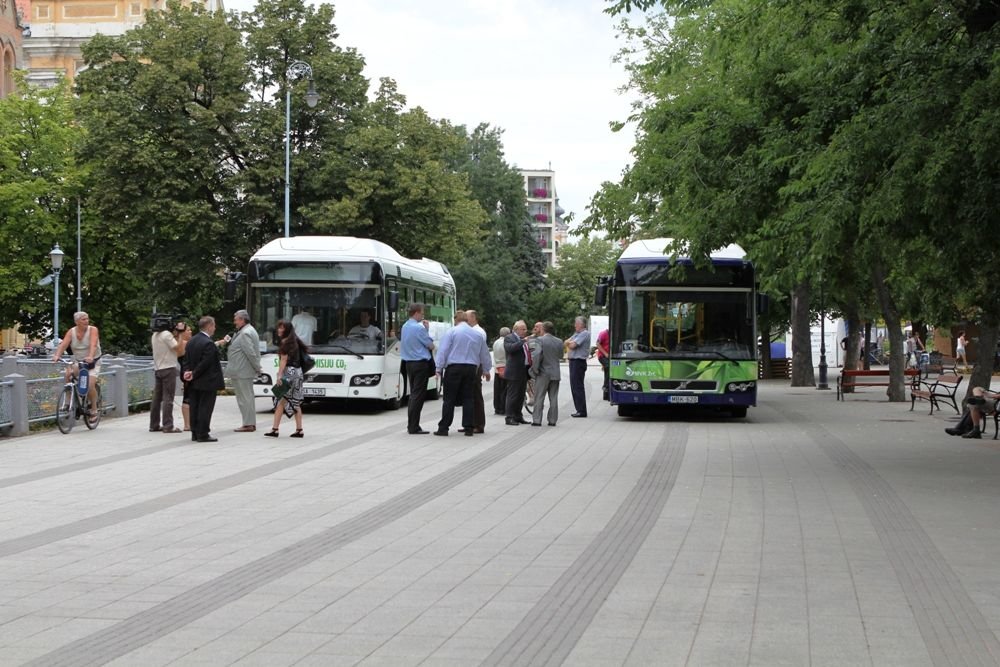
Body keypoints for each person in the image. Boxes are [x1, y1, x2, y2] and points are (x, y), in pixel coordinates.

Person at [434, 311, 492, 437]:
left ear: (456, 319)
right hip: (471, 368)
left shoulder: (452, 332)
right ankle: (469, 427)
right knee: (468, 398)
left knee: (449, 399)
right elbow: (484, 354)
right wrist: (487, 369)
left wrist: (438, 368)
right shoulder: (477, 334)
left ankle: (444, 428)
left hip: (454, 368)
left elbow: (443, 351)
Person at [182, 316, 226, 443]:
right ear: (209, 326)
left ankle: (195, 432)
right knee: (205, 407)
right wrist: (194, 373)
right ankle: (203, 433)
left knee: (194, 406)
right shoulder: (208, 343)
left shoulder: (191, 341)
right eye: (214, 326)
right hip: (207, 381)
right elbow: (205, 363)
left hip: (193, 381)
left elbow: (186, 360)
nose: (215, 328)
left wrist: (187, 372)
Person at [52, 311, 103, 413]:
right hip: (79, 362)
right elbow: (63, 345)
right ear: (77, 322)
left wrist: (91, 356)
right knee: (68, 375)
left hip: (93, 362)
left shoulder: (93, 330)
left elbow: (93, 344)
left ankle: (94, 408)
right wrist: (57, 355)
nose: (86, 321)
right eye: (83, 319)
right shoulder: (71, 332)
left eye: (87, 319)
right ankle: (67, 403)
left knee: (89, 385)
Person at [265, 320, 306, 438]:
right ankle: (299, 430)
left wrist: (279, 375)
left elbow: (283, 360)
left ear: (287, 330)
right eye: (279, 327)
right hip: (298, 373)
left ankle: (275, 430)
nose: (279, 330)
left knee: (280, 401)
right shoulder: (296, 341)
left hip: (289, 373)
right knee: (295, 401)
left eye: (282, 328)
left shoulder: (285, 343)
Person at [401, 303, 436, 434]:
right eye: (422, 313)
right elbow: (430, 345)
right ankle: (414, 426)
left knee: (413, 395)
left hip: (409, 363)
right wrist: (426, 330)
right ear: (416, 313)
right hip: (420, 364)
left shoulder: (404, 326)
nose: (423, 315)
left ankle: (411, 424)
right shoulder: (419, 328)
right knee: (418, 395)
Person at [225, 310, 261, 432]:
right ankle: (248, 423)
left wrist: (257, 367)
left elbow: (250, 353)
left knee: (245, 398)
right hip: (241, 371)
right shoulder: (245, 331)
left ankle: (248, 424)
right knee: (246, 397)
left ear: (242, 320)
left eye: (236, 319)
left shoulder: (246, 333)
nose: (234, 322)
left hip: (242, 371)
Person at [149, 319, 187, 433]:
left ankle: (154, 424)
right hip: (168, 368)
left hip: (158, 368)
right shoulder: (166, 335)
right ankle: (168, 425)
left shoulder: (155, 335)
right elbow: (179, 350)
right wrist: (180, 334)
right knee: (168, 398)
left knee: (157, 398)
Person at [529, 321, 563, 426]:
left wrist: (535, 369)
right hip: (555, 372)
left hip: (543, 372)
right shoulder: (559, 341)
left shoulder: (540, 340)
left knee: (539, 396)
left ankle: (537, 420)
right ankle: (552, 420)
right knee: (553, 397)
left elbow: (537, 356)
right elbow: (561, 355)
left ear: (543, 329)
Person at [465, 309, 488, 433]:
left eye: (467, 317)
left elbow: (482, 352)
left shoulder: (479, 332)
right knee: (470, 396)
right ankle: (470, 422)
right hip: (471, 366)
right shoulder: (472, 331)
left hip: (476, 366)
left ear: (473, 317)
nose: (465, 319)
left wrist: (485, 368)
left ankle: (479, 424)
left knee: (476, 395)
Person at [503, 321, 530, 425]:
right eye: (523, 329)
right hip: (513, 372)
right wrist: (522, 341)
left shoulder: (523, 340)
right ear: (516, 329)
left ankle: (518, 416)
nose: (525, 331)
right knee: (512, 395)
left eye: (525, 329)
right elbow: (510, 349)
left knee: (520, 395)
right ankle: (509, 417)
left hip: (523, 371)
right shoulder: (509, 338)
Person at [565, 316, 591, 418]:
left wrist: (569, 343)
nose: (574, 325)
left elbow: (572, 345)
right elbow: (566, 342)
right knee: (574, 386)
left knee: (578, 386)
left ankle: (581, 410)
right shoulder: (577, 334)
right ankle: (579, 409)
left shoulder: (584, 334)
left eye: (576, 323)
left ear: (581, 324)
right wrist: (569, 342)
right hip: (573, 361)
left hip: (578, 362)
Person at [492, 327, 510, 416]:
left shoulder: (496, 342)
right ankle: (503, 407)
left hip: (497, 368)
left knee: (497, 389)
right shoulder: (506, 343)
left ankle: (497, 407)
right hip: (505, 367)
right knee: (504, 390)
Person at [596, 328, 610, 401]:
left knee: (608, 371)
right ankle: (605, 386)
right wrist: (605, 353)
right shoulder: (603, 333)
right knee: (608, 367)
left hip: (609, 356)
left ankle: (606, 395)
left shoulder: (613, 334)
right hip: (602, 356)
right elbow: (597, 343)